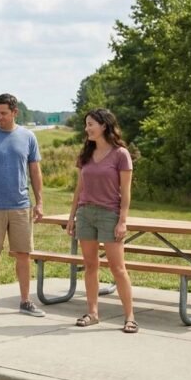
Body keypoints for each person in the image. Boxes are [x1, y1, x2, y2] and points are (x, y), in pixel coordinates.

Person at [0, 93, 46, 317]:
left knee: (23, 254)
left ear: (15, 112)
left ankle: (25, 301)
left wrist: (39, 201)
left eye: (4, 113)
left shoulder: (28, 137)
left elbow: (35, 171)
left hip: (21, 206)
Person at [65, 108, 137, 333]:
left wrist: (122, 220)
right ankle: (93, 313)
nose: (87, 129)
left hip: (110, 215)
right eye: (86, 125)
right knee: (90, 266)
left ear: (104, 126)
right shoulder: (85, 154)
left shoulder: (120, 154)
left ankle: (130, 317)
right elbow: (79, 188)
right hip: (86, 214)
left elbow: (125, 192)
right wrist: (72, 216)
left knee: (118, 268)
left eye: (90, 124)